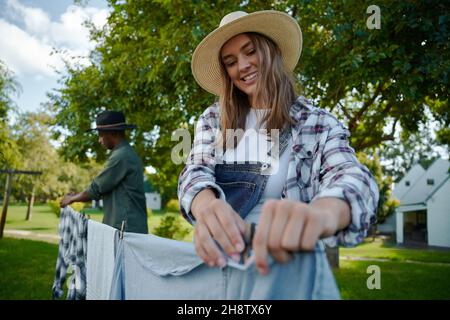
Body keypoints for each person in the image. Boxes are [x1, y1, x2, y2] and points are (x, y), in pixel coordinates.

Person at [178, 10, 379, 279]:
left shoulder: (315, 122)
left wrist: (323, 214)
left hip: (288, 271)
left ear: (271, 51)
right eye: (231, 61)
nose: (243, 65)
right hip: (220, 268)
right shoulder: (214, 120)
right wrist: (206, 207)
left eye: (250, 51)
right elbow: (194, 172)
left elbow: (351, 176)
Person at [60, 110, 148, 234]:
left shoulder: (121, 156)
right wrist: (77, 195)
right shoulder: (125, 153)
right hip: (126, 228)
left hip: (126, 230)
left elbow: (96, 189)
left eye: (101, 135)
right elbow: (104, 186)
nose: (99, 140)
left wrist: (71, 199)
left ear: (113, 133)